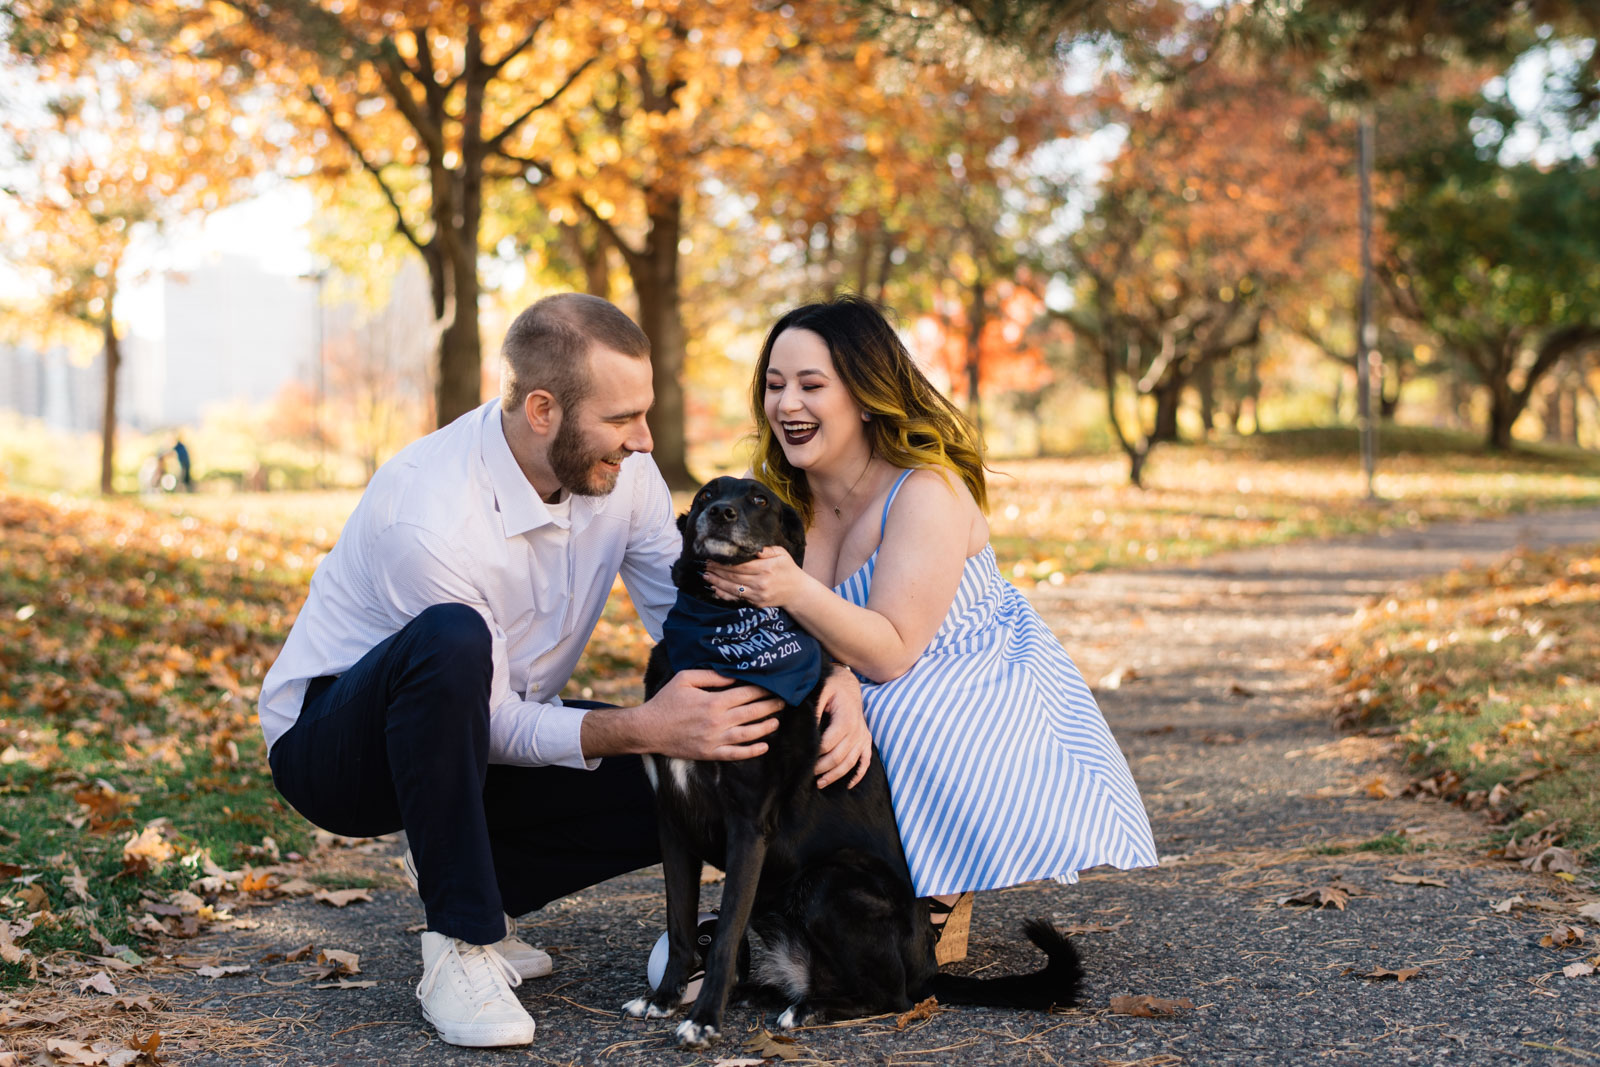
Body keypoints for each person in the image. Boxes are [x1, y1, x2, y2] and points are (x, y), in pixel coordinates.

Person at [257, 293, 866, 1049]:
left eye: (644, 413)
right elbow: (487, 714)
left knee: (687, 780)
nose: (644, 440)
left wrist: (823, 671)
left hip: (485, 723)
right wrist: (644, 726)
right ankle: (461, 937)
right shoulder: (429, 514)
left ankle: (470, 863)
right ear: (542, 409)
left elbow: (686, 618)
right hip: (340, 747)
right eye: (622, 419)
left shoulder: (625, 475)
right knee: (452, 640)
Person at [706, 295, 1159, 964]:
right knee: (764, 711)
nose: (786, 404)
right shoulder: (779, 499)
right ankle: (790, 883)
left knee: (888, 716)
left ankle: (927, 892)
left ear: (863, 393)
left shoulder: (926, 490)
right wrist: (832, 675)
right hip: (861, 666)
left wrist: (796, 591)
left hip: (962, 676)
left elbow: (891, 651)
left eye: (810, 385)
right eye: (774, 386)